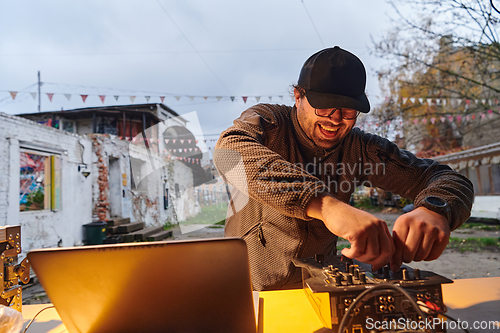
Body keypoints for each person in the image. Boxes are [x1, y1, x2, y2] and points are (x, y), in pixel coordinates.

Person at [213, 46, 474, 291]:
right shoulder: (269, 123)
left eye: (349, 111)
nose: (336, 119)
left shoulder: (360, 148)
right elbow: (227, 153)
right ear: (298, 96)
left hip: (319, 287)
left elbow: (445, 177)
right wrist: (326, 206)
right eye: (325, 106)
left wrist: (436, 208)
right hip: (249, 287)